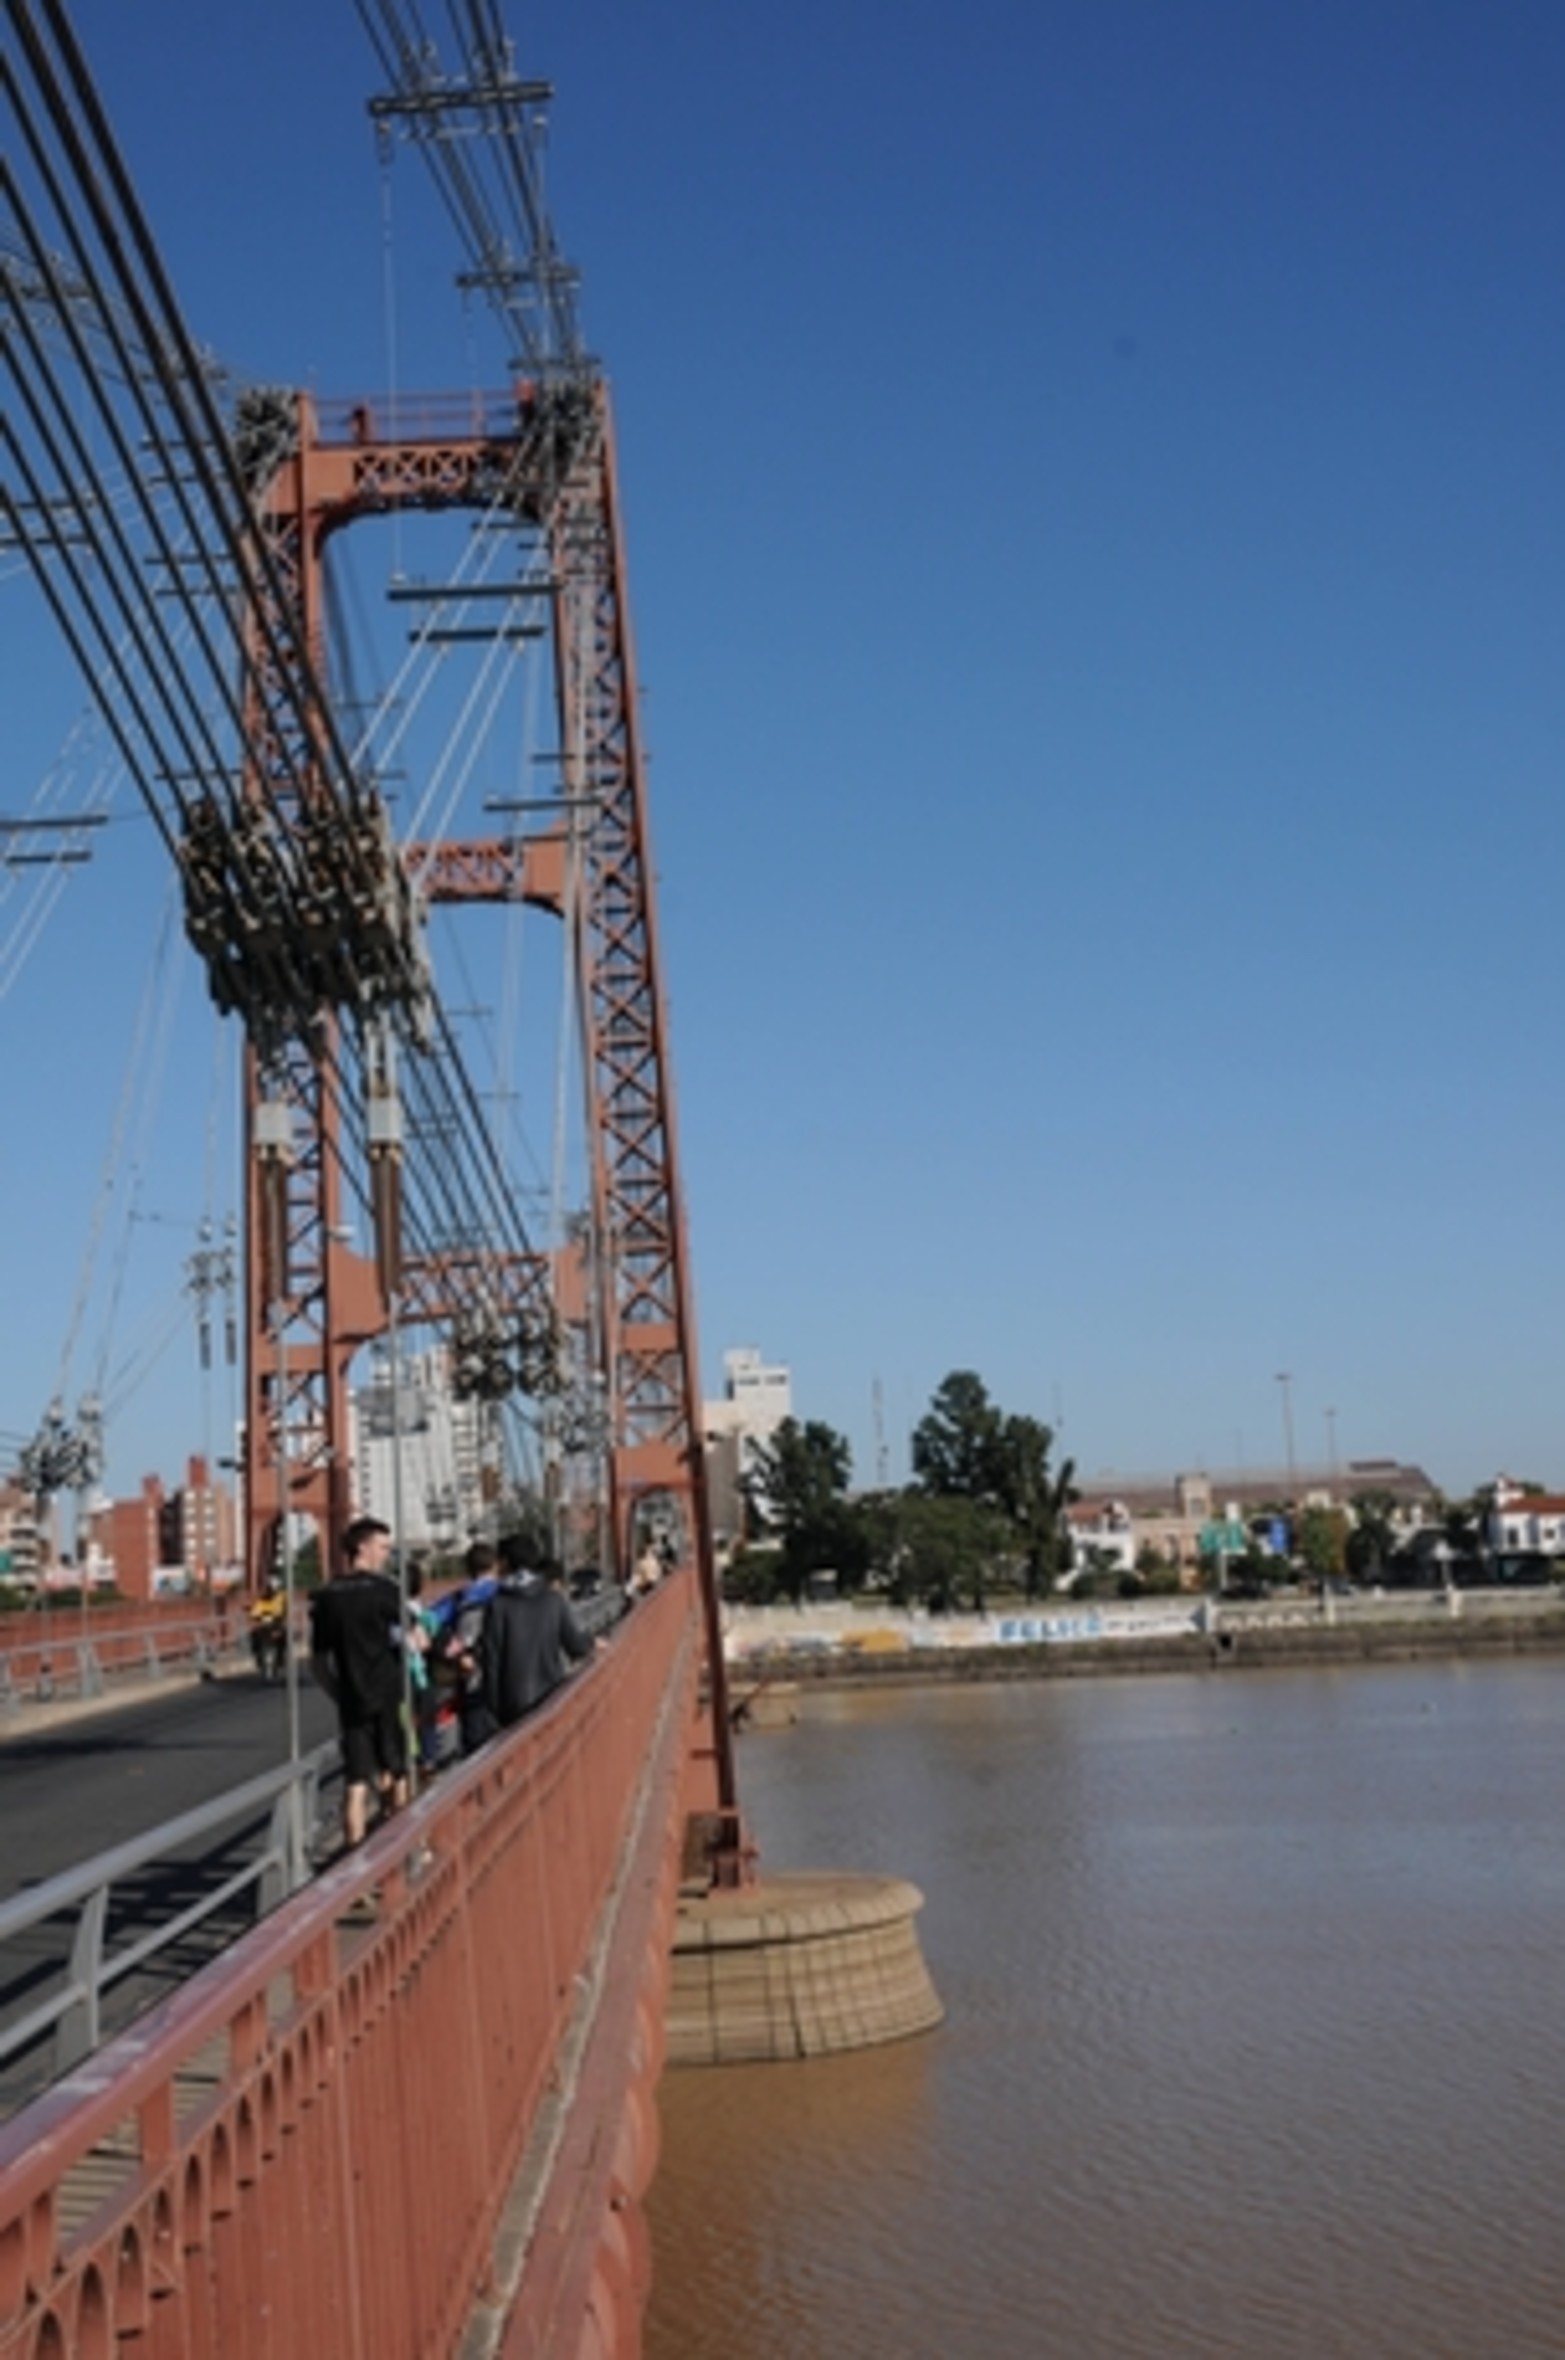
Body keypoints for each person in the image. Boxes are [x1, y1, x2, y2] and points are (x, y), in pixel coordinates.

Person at [309, 1514, 408, 1849]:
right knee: (398, 1771)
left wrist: (341, 1693)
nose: (387, 1555)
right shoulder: (386, 1591)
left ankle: (355, 1862)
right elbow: (417, 1637)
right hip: (388, 1693)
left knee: (355, 1782)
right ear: (363, 1548)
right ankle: (403, 1850)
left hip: (352, 1701)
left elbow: (318, 1659)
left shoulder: (327, 1596)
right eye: (383, 1547)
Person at [480, 1556, 599, 1729]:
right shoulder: (553, 1600)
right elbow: (575, 1646)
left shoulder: (497, 1604)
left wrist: (493, 1709)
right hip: (550, 1695)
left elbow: (491, 1662)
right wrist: (591, 1642)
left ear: (504, 1564)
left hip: (513, 1704)